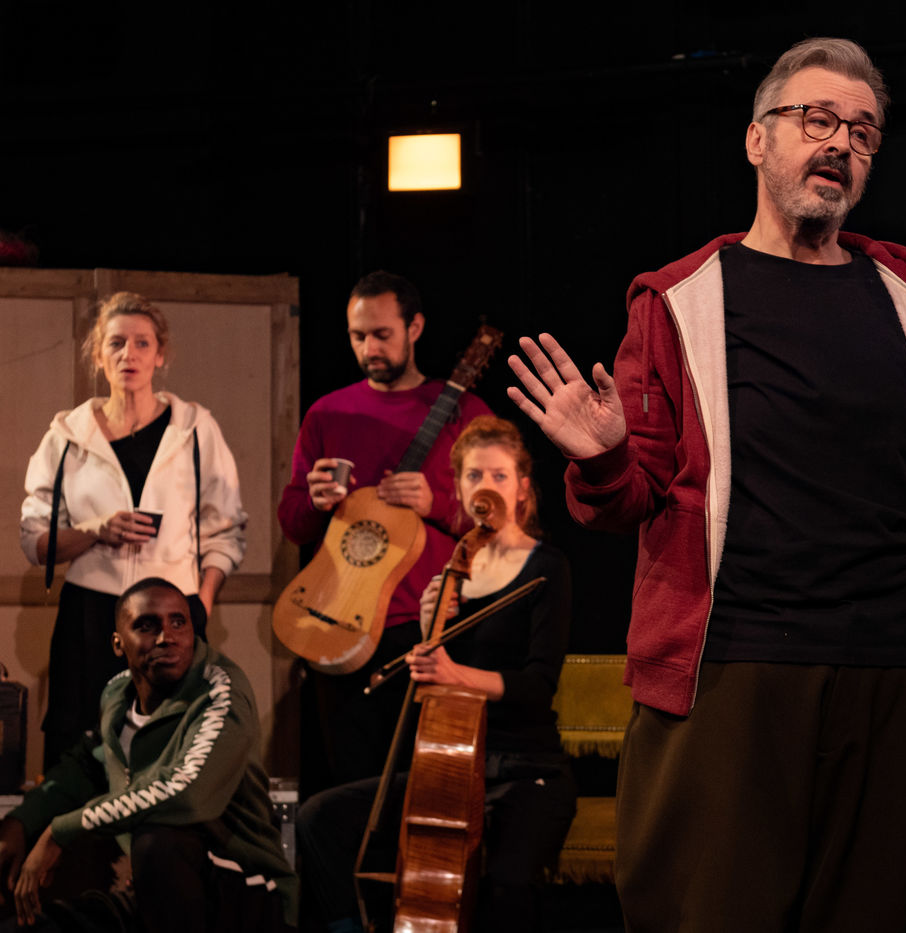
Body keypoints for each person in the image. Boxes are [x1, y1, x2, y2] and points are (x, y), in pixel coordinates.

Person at [507, 37, 906, 932]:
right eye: (817, 119)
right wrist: (601, 457)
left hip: (892, 668)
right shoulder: (681, 298)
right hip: (736, 671)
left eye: (863, 132)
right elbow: (631, 498)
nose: (840, 143)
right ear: (757, 139)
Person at [296, 415, 575, 933]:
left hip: (523, 769)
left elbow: (538, 687)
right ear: (459, 487)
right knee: (319, 819)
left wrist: (453, 670)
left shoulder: (546, 568)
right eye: (473, 476)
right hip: (448, 768)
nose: (485, 487)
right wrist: (430, 634)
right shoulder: (452, 571)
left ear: (522, 488)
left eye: (498, 476)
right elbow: (434, 692)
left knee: (506, 886)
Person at [277, 271, 492, 789]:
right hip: (340, 622)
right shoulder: (327, 413)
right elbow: (293, 524)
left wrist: (438, 503)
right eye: (358, 336)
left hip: (432, 627)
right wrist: (315, 501)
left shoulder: (465, 412)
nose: (369, 348)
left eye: (381, 334)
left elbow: (504, 521)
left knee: (429, 788)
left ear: (414, 327)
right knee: (353, 790)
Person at [20, 291, 247, 768]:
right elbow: (34, 542)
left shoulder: (195, 430)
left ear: (160, 355)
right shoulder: (67, 436)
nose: (129, 354)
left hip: (172, 609)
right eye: (116, 343)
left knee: (169, 741)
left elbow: (225, 530)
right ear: (98, 356)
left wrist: (201, 603)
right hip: (90, 612)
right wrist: (95, 530)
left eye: (142, 343)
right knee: (82, 741)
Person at [0, 578, 296, 932]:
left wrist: (60, 831)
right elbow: (84, 765)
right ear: (118, 642)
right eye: (147, 625)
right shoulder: (116, 695)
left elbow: (186, 795)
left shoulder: (221, 691)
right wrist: (20, 823)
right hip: (154, 893)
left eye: (178, 622)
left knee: (158, 841)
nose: (166, 637)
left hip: (246, 893)